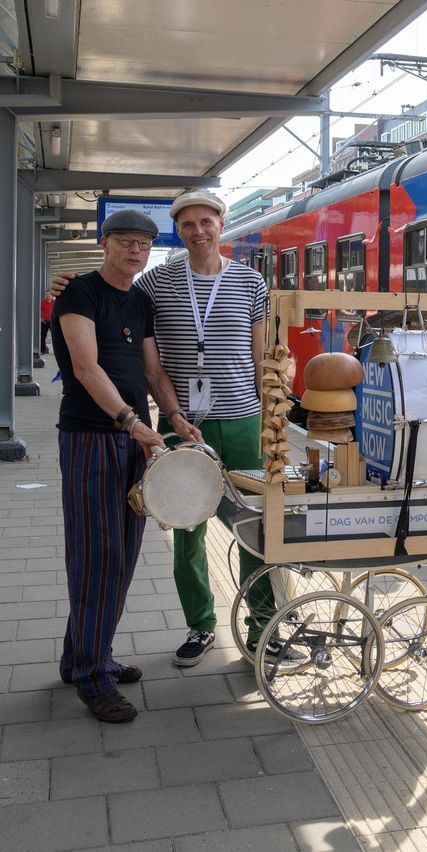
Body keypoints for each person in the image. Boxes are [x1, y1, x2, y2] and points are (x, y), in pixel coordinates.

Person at [53, 191, 276, 668]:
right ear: (179, 231)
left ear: (221, 223)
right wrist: (70, 285)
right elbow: (112, 292)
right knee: (186, 527)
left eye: (206, 221)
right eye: (188, 224)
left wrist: (277, 405)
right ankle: (200, 625)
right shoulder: (155, 282)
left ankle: (263, 625)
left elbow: (260, 356)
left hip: (241, 417)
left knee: (254, 526)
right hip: (180, 422)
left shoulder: (251, 282)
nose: (198, 231)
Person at [51, 210, 200, 722]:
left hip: (132, 442)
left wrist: (175, 415)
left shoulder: (139, 298)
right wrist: (130, 421)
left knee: (124, 550)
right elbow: (84, 365)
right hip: (92, 438)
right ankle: (93, 678)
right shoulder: (80, 294)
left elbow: (152, 368)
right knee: (99, 554)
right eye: (125, 242)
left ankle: (84, 657)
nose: (135, 251)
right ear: (105, 242)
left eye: (143, 244)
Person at [40, 290, 55, 354]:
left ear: (51, 295)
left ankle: (56, 351)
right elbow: (38, 311)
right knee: (43, 336)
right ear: (45, 295)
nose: (48, 296)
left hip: (53, 322)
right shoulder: (42, 303)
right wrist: (41, 318)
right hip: (44, 322)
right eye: (47, 295)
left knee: (55, 337)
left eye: (49, 294)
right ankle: (42, 350)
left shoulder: (55, 303)